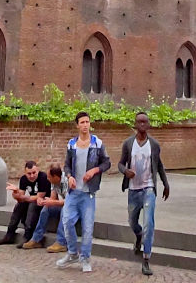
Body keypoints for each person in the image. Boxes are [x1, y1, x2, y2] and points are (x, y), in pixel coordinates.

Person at [56, 110, 111, 272]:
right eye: (82, 123)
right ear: (77, 125)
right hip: (74, 192)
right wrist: (69, 176)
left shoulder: (97, 144)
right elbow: (66, 165)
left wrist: (94, 171)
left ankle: (85, 258)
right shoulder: (71, 144)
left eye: (87, 122)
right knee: (66, 221)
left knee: (87, 228)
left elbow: (107, 163)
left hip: (88, 193)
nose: (85, 125)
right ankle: (72, 253)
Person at [119, 110, 170, 276]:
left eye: (144, 122)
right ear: (135, 124)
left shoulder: (154, 145)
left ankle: (146, 259)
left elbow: (159, 165)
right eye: (139, 122)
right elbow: (120, 164)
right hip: (133, 190)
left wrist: (165, 183)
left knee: (149, 223)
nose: (142, 124)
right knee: (132, 222)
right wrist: (125, 171)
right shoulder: (128, 143)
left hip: (149, 188)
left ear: (148, 125)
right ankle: (138, 236)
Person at [0, 159, 51, 245]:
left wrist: (23, 197)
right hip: (34, 201)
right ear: (25, 173)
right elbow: (20, 198)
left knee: (33, 204)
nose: (32, 176)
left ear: (38, 170)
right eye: (29, 173)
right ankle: (10, 234)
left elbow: (39, 197)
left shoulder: (43, 177)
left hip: (45, 202)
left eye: (34, 173)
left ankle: (28, 235)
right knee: (19, 205)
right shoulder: (23, 179)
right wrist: (15, 193)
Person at [24, 163, 67, 250]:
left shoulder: (67, 181)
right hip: (64, 204)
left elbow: (70, 203)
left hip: (75, 207)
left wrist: (52, 202)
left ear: (55, 176)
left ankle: (61, 242)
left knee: (65, 210)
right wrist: (45, 201)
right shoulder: (53, 182)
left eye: (49, 177)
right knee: (46, 208)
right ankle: (36, 239)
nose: (47, 179)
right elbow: (53, 198)